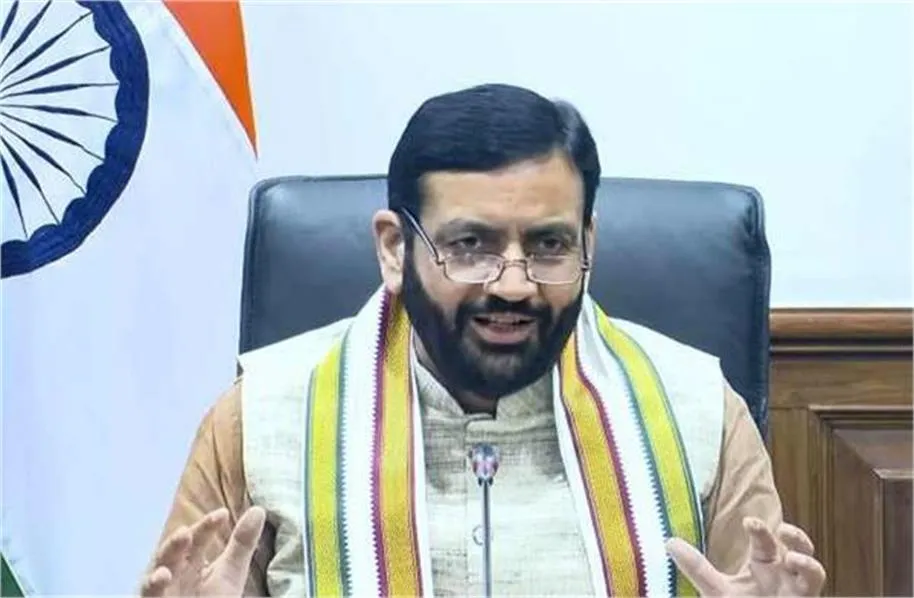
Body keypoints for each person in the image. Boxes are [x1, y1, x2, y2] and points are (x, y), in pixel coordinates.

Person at [140, 83, 826, 597]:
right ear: (394, 248)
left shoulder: (697, 411)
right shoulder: (261, 420)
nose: (515, 284)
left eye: (549, 245)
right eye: (470, 245)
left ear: (587, 243)